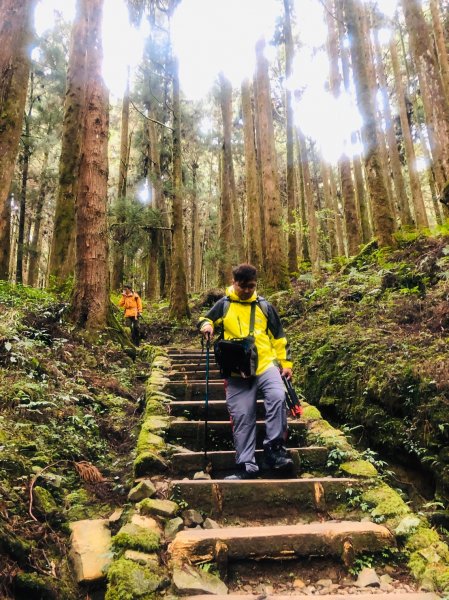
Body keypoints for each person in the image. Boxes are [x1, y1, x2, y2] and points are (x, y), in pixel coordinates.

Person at [198, 263, 294, 479]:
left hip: (265, 364)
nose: (248, 290)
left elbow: (279, 337)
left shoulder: (264, 306)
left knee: (278, 397)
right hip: (236, 371)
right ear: (234, 283)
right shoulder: (224, 305)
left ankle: (275, 451)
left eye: (251, 286)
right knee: (242, 415)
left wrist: (286, 364)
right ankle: (246, 465)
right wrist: (207, 326)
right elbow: (206, 319)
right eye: (243, 287)